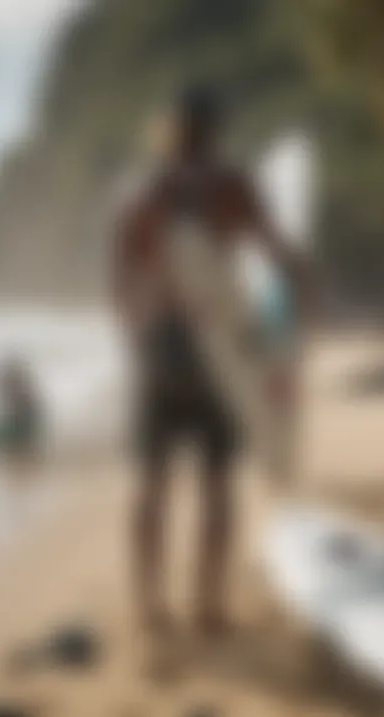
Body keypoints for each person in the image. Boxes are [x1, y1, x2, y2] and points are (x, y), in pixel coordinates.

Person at [110, 83, 313, 637]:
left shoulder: (142, 195)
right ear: (216, 131)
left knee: (150, 482)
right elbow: (275, 254)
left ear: (167, 131)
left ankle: (148, 607)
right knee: (216, 480)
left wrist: (137, 334)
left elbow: (120, 279)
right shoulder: (234, 187)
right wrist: (300, 305)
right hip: (217, 347)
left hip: (160, 345)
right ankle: (207, 608)